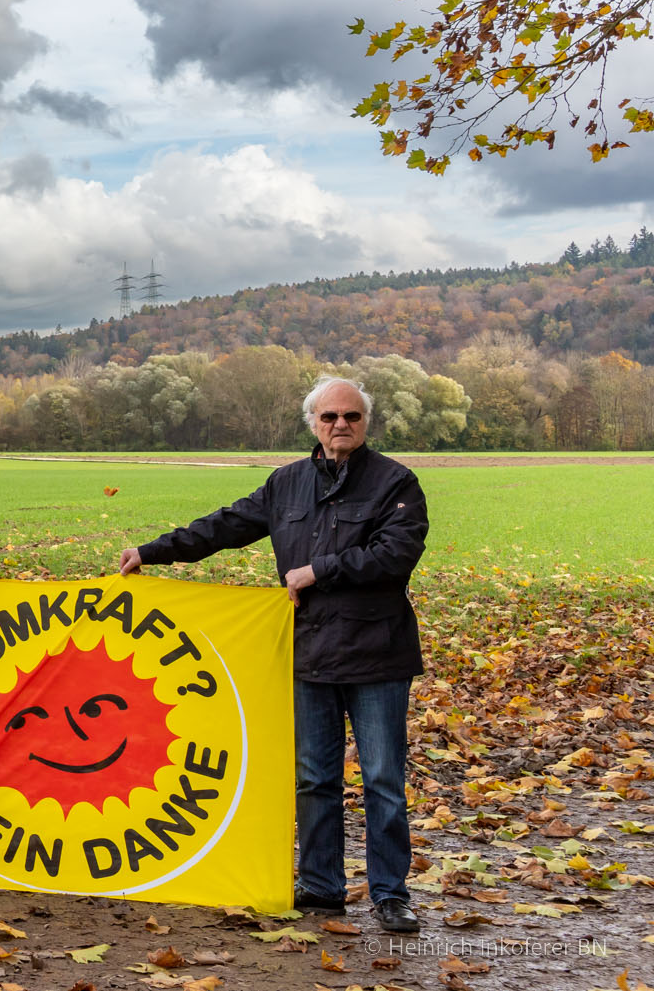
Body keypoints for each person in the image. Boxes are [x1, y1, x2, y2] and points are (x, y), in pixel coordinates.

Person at [118, 375, 427, 935]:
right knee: (313, 777)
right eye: (330, 417)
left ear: (366, 423)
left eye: (351, 417)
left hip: (378, 654)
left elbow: (395, 555)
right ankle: (322, 886)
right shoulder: (286, 484)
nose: (341, 426)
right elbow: (226, 526)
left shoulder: (396, 483)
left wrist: (319, 570)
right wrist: (152, 552)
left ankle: (390, 893)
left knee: (383, 778)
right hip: (308, 652)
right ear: (312, 422)